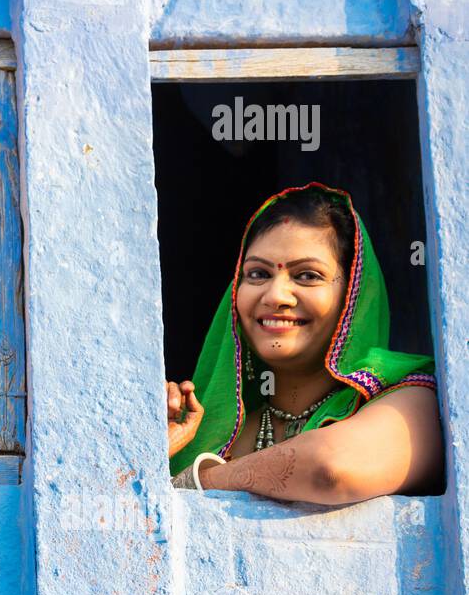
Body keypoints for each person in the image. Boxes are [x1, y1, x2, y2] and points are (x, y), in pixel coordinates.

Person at [168, 183, 441, 504]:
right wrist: (152, 451)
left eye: (307, 275)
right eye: (257, 274)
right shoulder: (207, 431)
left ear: (352, 295)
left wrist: (192, 481)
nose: (275, 296)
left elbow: (331, 468)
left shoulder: (411, 399)